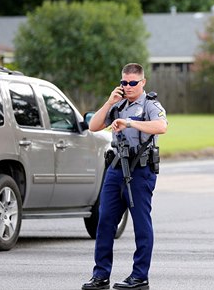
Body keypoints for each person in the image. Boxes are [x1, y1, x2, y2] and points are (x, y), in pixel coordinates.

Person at [82, 63, 167, 290]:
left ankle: (140, 276)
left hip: (141, 169)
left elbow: (161, 126)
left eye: (132, 83)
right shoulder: (117, 105)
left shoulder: (150, 104)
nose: (127, 87)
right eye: (124, 83)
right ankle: (100, 276)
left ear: (142, 82)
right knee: (105, 221)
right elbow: (93, 125)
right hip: (117, 168)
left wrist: (129, 122)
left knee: (141, 223)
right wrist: (110, 102)